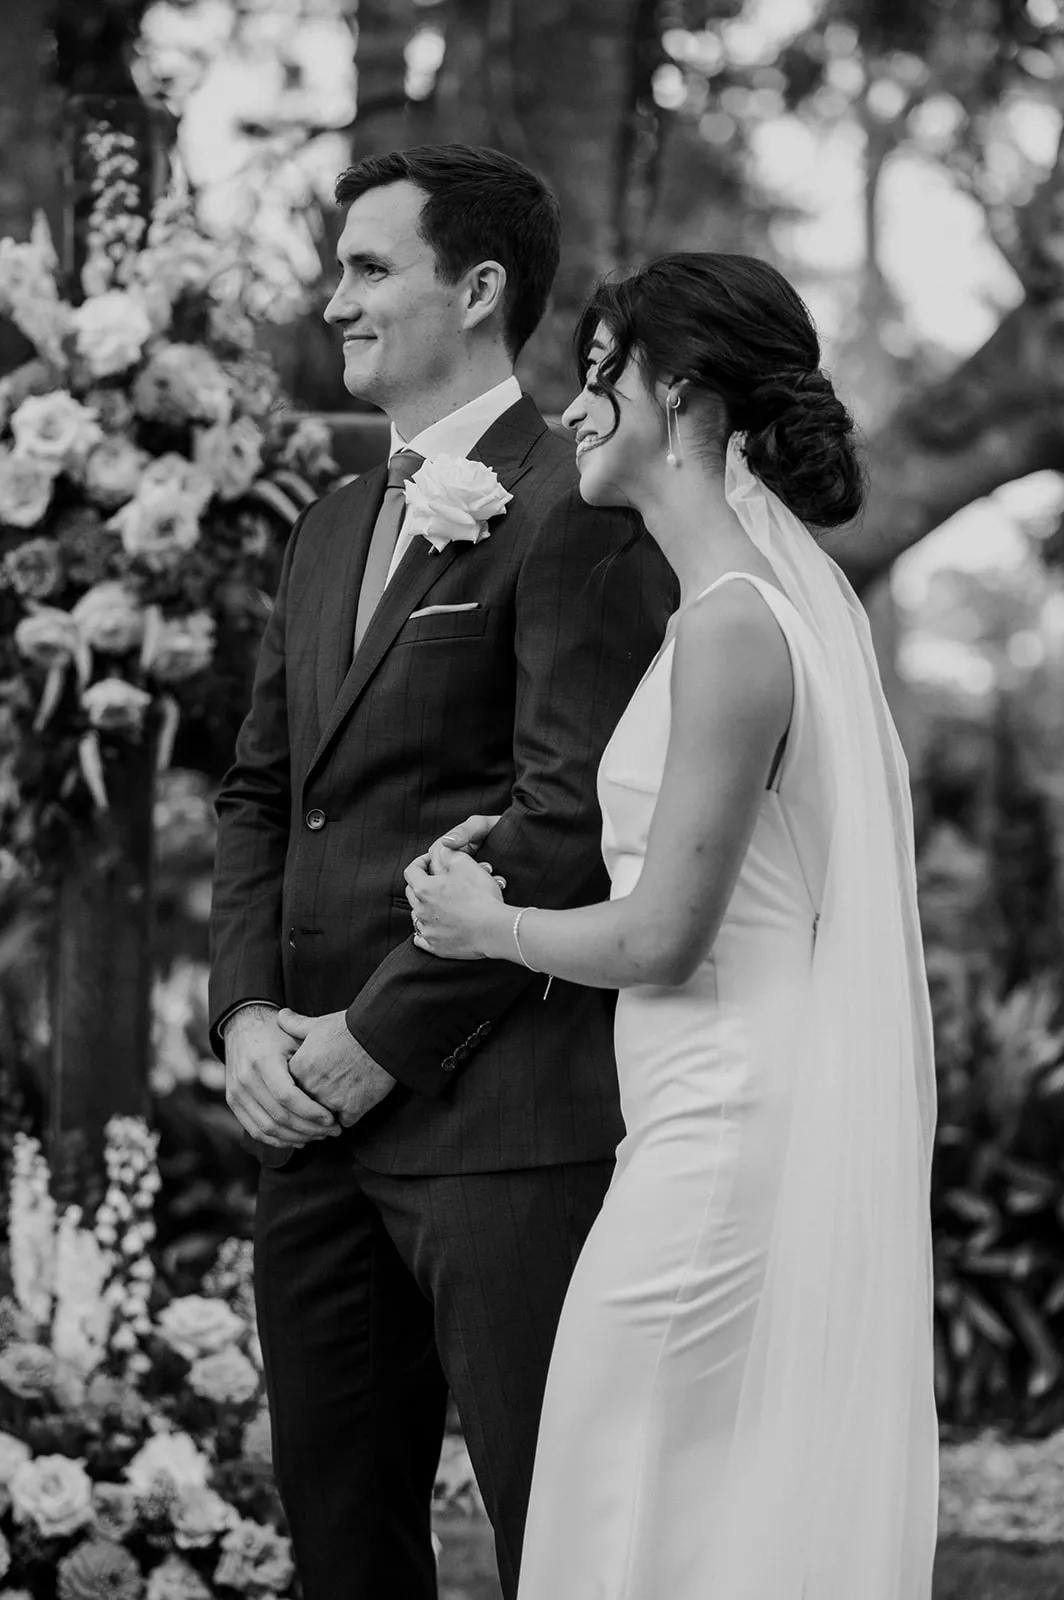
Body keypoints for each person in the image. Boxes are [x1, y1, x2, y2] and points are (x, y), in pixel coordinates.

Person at [405, 252, 939, 1600]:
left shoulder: (735, 632)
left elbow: (660, 941)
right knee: (674, 1511)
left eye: (599, 377)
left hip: (724, 1142)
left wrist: (486, 924)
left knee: (610, 1490)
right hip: (700, 1120)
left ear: (683, 398)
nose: (577, 410)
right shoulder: (729, 614)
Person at [206, 144, 675, 1600]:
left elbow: (556, 821)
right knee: (342, 1544)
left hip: (498, 1120)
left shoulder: (576, 506)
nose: (333, 300)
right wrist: (245, 1022)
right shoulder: (329, 523)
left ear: (478, 291)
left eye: (368, 268)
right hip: (308, 1132)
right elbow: (260, 796)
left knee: (556, 1541)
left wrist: (375, 1038)